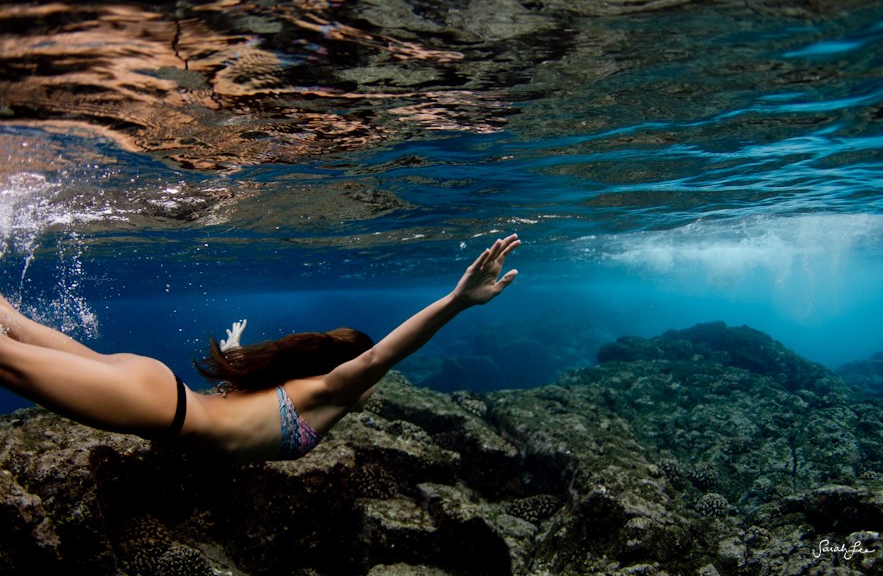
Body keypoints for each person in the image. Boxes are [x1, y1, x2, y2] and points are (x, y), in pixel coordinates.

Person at [0, 234, 520, 462]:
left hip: (155, 390)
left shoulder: (288, 386)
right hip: (154, 404)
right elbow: (382, 356)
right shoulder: (327, 394)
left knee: (15, 326)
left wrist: (240, 351)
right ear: (347, 369)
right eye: (369, 377)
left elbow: (250, 406)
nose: (377, 385)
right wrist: (457, 301)